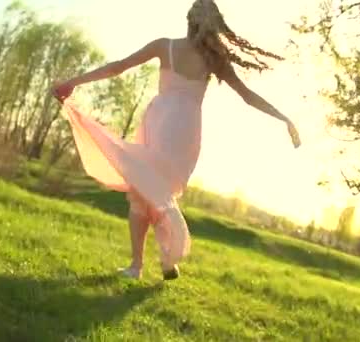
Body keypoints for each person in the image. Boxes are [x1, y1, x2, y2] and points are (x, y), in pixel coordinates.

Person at [52, 0, 301, 281]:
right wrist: (284, 118)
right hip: (186, 132)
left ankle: (139, 265)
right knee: (156, 190)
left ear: (188, 20)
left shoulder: (165, 46)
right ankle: (167, 261)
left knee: (144, 189)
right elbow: (247, 95)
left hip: (159, 121)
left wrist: (74, 81)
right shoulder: (214, 59)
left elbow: (118, 67)